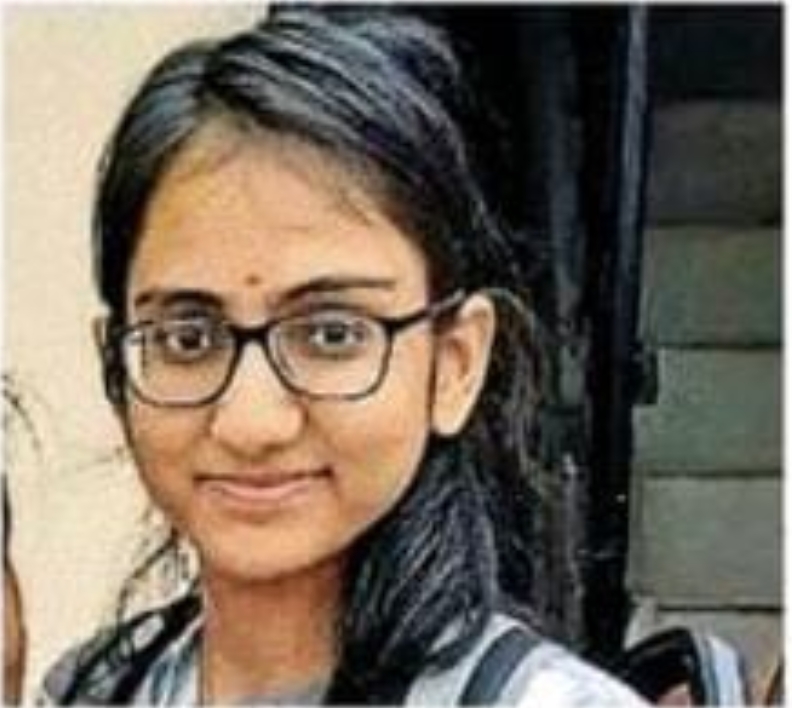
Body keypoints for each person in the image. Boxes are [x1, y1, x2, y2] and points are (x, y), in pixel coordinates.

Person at [34, 5, 648, 705]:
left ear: (455, 365)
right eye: (188, 339)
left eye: (331, 334)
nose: (251, 423)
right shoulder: (94, 692)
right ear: (116, 369)